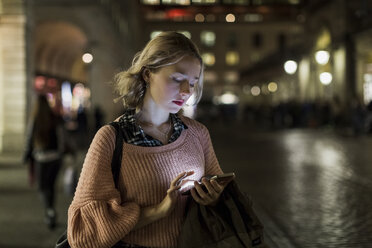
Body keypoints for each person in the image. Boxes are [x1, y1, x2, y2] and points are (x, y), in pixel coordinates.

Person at [67, 31, 232, 248]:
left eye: (192, 83)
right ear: (147, 74)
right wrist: (157, 211)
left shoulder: (197, 133)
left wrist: (213, 199)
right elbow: (83, 231)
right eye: (177, 79)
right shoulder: (113, 138)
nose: (186, 91)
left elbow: (225, 203)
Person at [23, 94, 64, 229]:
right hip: (55, 158)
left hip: (41, 158)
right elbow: (61, 137)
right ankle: (51, 211)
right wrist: (61, 153)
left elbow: (30, 138)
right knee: (51, 186)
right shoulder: (55, 118)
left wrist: (26, 154)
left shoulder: (35, 119)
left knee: (42, 187)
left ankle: (49, 210)